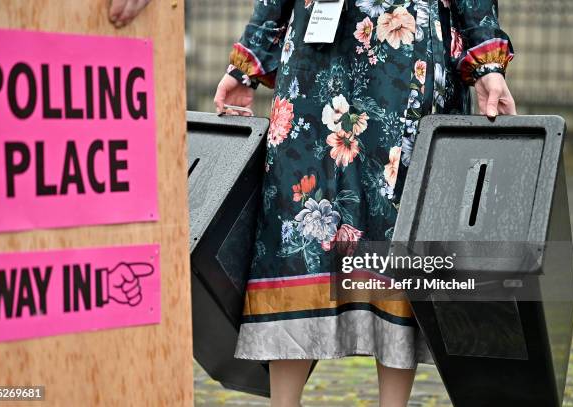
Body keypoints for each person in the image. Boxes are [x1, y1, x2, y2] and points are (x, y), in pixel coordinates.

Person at [213, 1, 515, 406]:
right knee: (296, 235)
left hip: (405, 51)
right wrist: (245, 64)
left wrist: (487, 62)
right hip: (314, 61)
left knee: (397, 237)